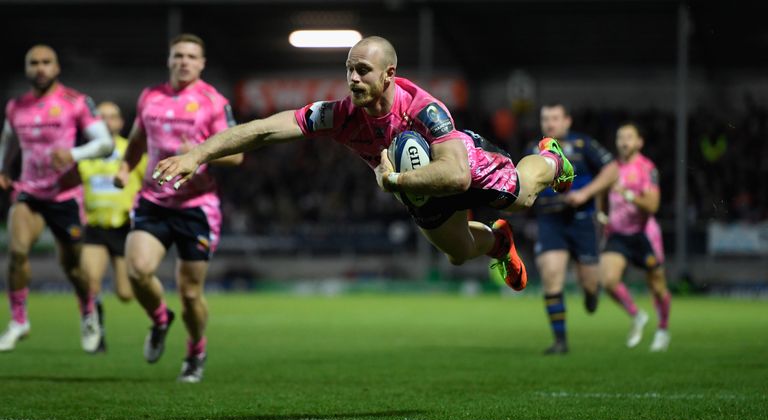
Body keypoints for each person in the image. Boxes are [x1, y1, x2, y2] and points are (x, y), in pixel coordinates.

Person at [152, 36, 574, 304]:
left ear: (390, 74)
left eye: (362, 70)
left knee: (523, 195)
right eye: (348, 70)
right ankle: (498, 243)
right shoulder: (340, 115)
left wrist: (394, 181)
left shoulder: (424, 108)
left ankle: (551, 157)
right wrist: (197, 155)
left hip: (461, 163)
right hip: (415, 187)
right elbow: (263, 131)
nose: (352, 79)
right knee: (459, 253)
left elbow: (457, 176)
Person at [114, 34, 242, 383]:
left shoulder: (213, 101)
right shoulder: (150, 97)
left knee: (189, 294)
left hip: (196, 207)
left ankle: (196, 349)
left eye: (191, 56)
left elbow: (237, 154)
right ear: (169, 60)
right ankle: (159, 318)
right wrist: (126, 167)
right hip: (153, 201)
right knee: (137, 270)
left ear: (201, 63)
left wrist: (199, 150)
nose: (184, 61)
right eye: (178, 55)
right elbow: (138, 138)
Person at [0, 45, 114, 353]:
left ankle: (89, 310)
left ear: (57, 67)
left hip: (65, 194)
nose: (40, 68)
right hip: (29, 190)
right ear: (26, 69)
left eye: (46, 62)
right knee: (18, 252)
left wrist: (74, 154)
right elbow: (8, 140)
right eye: (33, 63)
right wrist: (2, 168)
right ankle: (19, 320)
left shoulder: (76, 102)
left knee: (73, 267)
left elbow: (104, 143)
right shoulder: (16, 106)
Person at [531, 103, 618, 355]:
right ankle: (560, 341)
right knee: (551, 274)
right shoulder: (533, 150)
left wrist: (585, 194)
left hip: (582, 220)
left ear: (567, 121)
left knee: (590, 284)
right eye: (545, 118)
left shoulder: (582, 145)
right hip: (550, 220)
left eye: (555, 118)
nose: (549, 123)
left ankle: (591, 295)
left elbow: (612, 170)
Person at [77, 101, 148, 351]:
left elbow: (148, 184)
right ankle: (96, 332)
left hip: (123, 227)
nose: (107, 121)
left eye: (112, 117)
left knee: (126, 293)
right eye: (101, 117)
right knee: (90, 282)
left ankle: (156, 316)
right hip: (94, 226)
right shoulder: (84, 153)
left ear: (120, 123)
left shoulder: (133, 151)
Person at [599, 122, 671, 352]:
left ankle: (662, 329)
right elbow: (601, 192)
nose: (623, 141)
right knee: (609, 280)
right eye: (620, 137)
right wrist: (602, 214)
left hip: (644, 235)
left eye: (629, 137)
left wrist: (628, 194)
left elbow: (653, 205)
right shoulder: (611, 169)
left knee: (657, 287)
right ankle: (637, 315)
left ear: (639, 142)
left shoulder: (647, 169)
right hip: (618, 235)